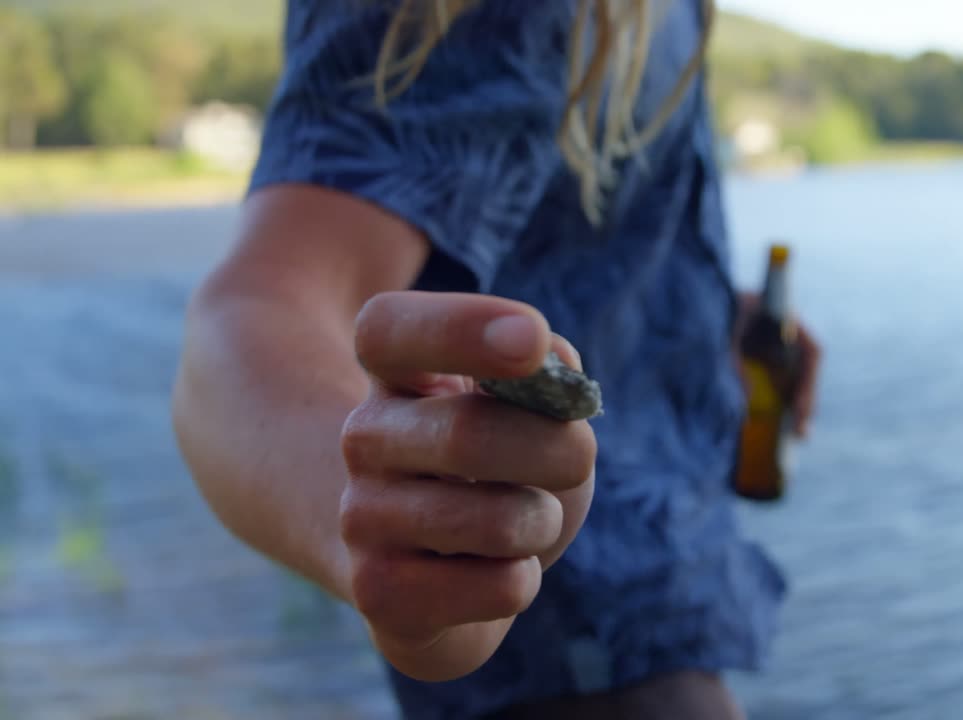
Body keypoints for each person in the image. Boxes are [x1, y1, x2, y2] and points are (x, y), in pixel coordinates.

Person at [171, 0, 821, 717]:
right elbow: (253, 310)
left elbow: (566, 231)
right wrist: (390, 530)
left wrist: (707, 316)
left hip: (656, 623)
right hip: (577, 663)